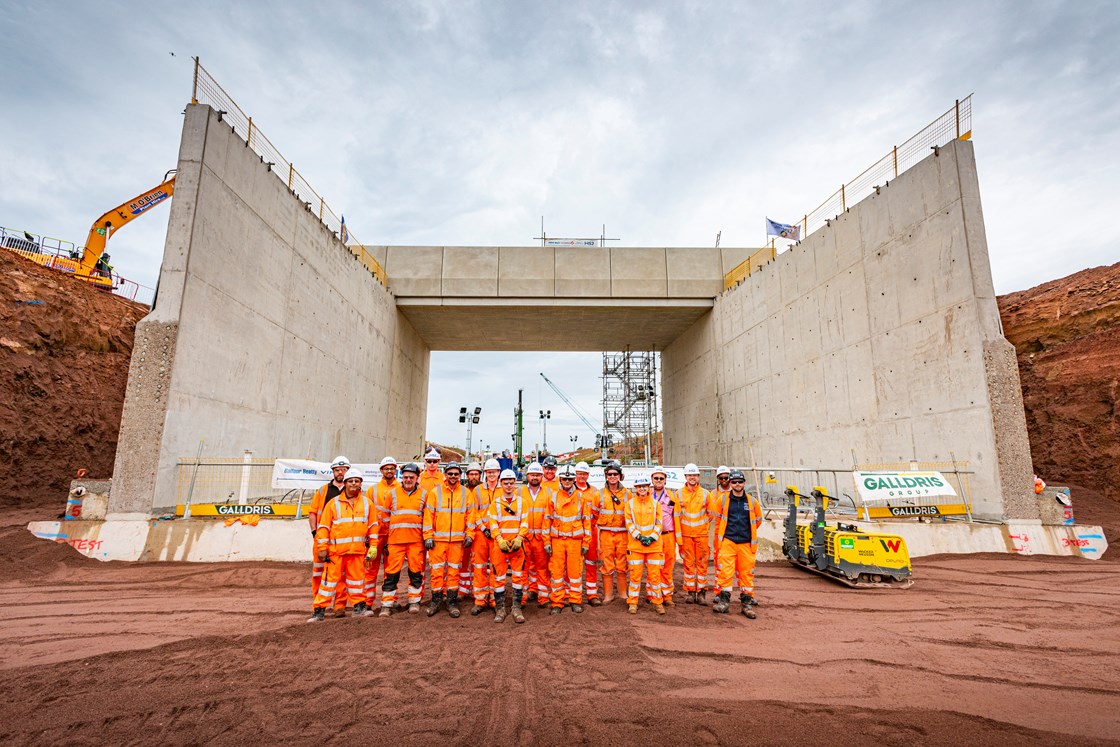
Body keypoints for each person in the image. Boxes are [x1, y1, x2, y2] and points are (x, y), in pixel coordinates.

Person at [309, 468, 378, 622]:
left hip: (357, 552)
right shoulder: (333, 504)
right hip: (335, 553)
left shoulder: (368, 504)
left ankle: (359, 608)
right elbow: (324, 528)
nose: (354, 483)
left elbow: (373, 526)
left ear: (361, 484)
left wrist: (373, 546)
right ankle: (318, 611)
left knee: (357, 582)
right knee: (328, 583)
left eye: (357, 481)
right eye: (351, 481)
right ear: (345, 483)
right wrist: (322, 548)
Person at [422, 462, 472, 618]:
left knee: (453, 572)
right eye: (450, 473)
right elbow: (428, 517)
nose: (453, 476)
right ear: (445, 474)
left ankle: (451, 602)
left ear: (460, 475)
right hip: (438, 541)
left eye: (456, 474)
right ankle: (436, 601)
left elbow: (471, 516)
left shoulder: (466, 493)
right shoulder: (435, 493)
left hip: (457, 541)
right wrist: (428, 536)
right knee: (436, 572)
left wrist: (470, 534)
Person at [712, 469, 763, 618]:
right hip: (728, 542)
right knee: (725, 574)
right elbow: (719, 520)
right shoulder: (722, 500)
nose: (737, 484)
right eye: (734, 482)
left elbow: (758, 521)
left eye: (740, 482)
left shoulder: (752, 502)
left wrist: (747, 533)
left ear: (744, 483)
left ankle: (746, 605)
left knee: (747, 575)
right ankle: (724, 603)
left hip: (746, 544)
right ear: (730, 483)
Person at [379, 462, 427, 616]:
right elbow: (385, 517)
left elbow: (427, 519)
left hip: (416, 541)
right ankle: (387, 604)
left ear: (417, 478)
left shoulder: (424, 495)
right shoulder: (392, 493)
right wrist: (386, 538)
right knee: (391, 573)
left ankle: (414, 601)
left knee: (415, 572)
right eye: (405, 477)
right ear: (402, 477)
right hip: (395, 541)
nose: (408, 480)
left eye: (411, 477)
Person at [308, 456, 350, 617]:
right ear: (333, 471)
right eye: (337, 470)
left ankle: (339, 605)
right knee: (318, 573)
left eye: (343, 469)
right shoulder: (323, 491)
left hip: (341, 539)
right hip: (322, 538)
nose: (340, 472)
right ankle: (318, 605)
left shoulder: (352, 491)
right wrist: (315, 533)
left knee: (341, 574)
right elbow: (312, 512)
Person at [545, 465, 591, 614]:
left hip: (575, 541)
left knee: (575, 573)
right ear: (560, 479)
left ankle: (575, 600)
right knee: (557, 573)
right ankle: (557, 602)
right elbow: (547, 520)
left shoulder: (580, 497)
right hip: (557, 540)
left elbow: (587, 521)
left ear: (573, 480)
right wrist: (546, 542)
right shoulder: (553, 497)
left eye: (569, 479)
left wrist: (586, 542)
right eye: (564, 479)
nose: (567, 481)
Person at [488, 469, 530, 623]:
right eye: (506, 483)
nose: (508, 486)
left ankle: (516, 608)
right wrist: (499, 540)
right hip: (500, 547)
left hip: (518, 547)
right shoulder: (495, 504)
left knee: (518, 577)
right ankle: (500, 608)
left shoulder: (522, 503)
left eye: (511, 483)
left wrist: (519, 538)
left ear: (515, 484)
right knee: (498, 578)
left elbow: (524, 523)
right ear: (501, 484)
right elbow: (493, 524)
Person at [624, 475, 665, 615]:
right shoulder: (629, 504)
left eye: (645, 486)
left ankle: (658, 603)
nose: (642, 489)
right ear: (636, 488)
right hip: (636, 546)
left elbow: (660, 523)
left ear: (649, 487)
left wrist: (652, 538)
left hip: (653, 546)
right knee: (635, 576)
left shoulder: (655, 504)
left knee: (655, 576)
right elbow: (628, 522)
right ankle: (633, 602)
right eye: (640, 486)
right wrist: (639, 536)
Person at [678, 463, 718, 604]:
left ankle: (701, 593)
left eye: (694, 475)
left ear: (698, 477)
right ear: (686, 477)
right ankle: (690, 592)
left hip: (701, 535)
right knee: (688, 564)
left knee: (702, 564)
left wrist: (702, 524)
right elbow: (676, 515)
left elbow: (711, 513)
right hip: (686, 536)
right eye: (690, 475)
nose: (692, 478)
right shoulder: (679, 494)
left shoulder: (706, 494)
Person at [362, 456, 398, 608]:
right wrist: (367, 536)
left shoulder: (400, 489)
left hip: (392, 536)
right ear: (381, 470)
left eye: (392, 468)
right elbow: (366, 513)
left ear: (395, 470)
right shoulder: (373, 490)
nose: (389, 470)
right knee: (370, 570)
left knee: (391, 571)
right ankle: (367, 602)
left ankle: (390, 601)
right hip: (375, 537)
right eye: (386, 468)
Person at [469, 458, 502, 615]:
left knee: (496, 567)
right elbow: (473, 512)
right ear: (485, 473)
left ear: (498, 473)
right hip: (481, 535)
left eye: (494, 472)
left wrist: (496, 530)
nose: (491, 475)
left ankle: (496, 599)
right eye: (489, 472)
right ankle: (480, 600)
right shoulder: (477, 491)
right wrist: (483, 528)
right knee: (479, 566)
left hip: (497, 535)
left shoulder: (505, 490)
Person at [596, 461, 630, 605]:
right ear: (606, 476)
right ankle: (608, 595)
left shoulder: (627, 494)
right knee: (607, 564)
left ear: (620, 476)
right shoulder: (599, 494)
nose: (612, 477)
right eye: (609, 474)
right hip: (606, 534)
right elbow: (593, 514)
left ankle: (623, 594)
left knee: (622, 564)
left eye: (615, 474)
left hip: (623, 534)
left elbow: (631, 514)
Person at [520, 462, 552, 607]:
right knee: (522, 569)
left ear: (542, 476)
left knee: (542, 569)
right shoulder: (519, 493)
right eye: (532, 475)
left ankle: (543, 598)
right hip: (524, 538)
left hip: (540, 538)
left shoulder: (549, 493)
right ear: (527, 476)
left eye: (538, 475)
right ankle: (521, 598)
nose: (535, 478)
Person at [650, 466, 682, 606]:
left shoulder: (672, 498)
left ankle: (667, 595)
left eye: (661, 478)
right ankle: (653, 595)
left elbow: (677, 518)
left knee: (668, 566)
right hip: (653, 537)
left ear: (665, 481)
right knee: (653, 566)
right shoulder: (645, 497)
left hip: (668, 536)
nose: (658, 480)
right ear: (652, 480)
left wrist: (678, 539)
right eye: (656, 478)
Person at [573, 461, 601, 606]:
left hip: (591, 531)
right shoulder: (570, 490)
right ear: (575, 475)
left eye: (584, 474)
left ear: (588, 475)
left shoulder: (595, 492)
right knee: (573, 565)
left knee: (591, 563)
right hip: (575, 533)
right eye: (579, 474)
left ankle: (592, 594)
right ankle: (571, 594)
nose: (581, 477)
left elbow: (598, 512)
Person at [456, 461, 483, 601]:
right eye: (471, 474)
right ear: (467, 475)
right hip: (464, 531)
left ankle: (475, 588)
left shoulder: (483, 491)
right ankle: (463, 589)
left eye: (476, 474)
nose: (474, 477)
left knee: (478, 563)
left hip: (480, 532)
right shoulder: (462, 492)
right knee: (463, 561)